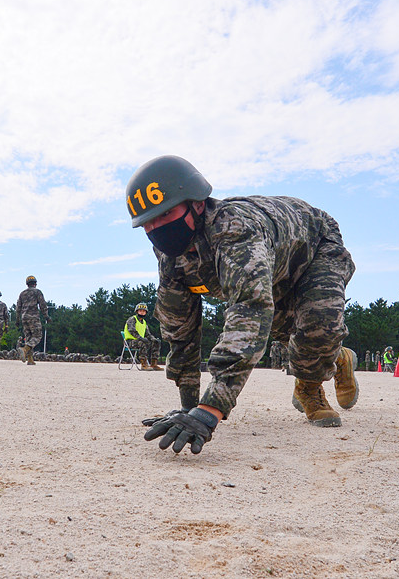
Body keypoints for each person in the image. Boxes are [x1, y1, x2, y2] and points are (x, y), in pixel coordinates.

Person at [127, 155, 358, 455]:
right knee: (285, 331)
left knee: (318, 321)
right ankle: (338, 357)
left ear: (196, 203)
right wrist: (188, 406)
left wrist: (210, 410)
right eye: (148, 222)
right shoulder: (171, 257)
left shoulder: (235, 231)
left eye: (166, 213)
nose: (157, 228)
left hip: (314, 245)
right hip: (273, 263)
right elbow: (179, 328)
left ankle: (309, 386)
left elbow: (250, 310)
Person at [16, 276, 49, 365]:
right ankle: (25, 349)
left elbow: (18, 307)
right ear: (35, 283)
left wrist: (17, 319)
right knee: (37, 336)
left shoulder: (22, 293)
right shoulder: (37, 292)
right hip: (33, 317)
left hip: (24, 317)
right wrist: (46, 316)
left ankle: (30, 359)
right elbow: (42, 305)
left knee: (29, 337)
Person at [123, 302, 163, 371]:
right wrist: (141, 338)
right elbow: (132, 331)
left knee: (156, 342)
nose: (142, 312)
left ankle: (154, 364)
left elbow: (148, 334)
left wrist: (154, 339)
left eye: (144, 311)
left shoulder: (144, 322)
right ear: (137, 311)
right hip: (130, 342)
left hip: (139, 340)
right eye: (140, 311)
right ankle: (144, 364)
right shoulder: (132, 319)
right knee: (143, 343)